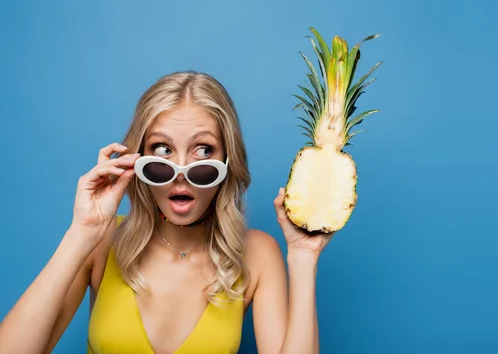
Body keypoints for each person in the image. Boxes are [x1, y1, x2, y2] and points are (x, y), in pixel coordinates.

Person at [0, 71, 333, 354]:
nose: (181, 172)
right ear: (137, 159)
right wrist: (82, 232)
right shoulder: (103, 241)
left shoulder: (256, 254)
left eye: (203, 150)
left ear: (227, 162)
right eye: (162, 150)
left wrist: (304, 258)